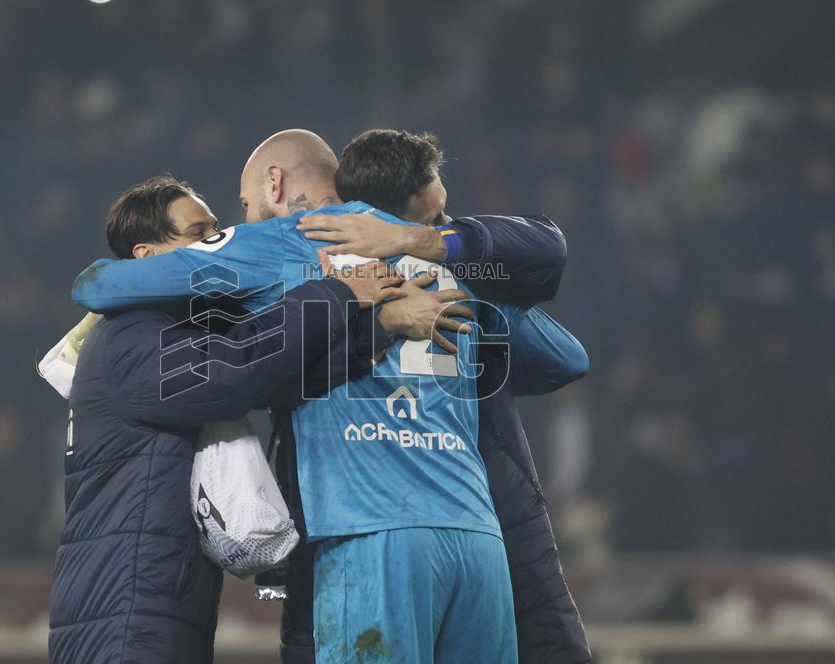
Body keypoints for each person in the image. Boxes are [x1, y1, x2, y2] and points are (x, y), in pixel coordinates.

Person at [72, 130, 587, 662]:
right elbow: (566, 359)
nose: (242, 220)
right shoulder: (434, 246)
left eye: (245, 205)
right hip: (477, 539)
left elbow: (96, 284)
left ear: (274, 182)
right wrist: (443, 254)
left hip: (366, 535)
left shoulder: (276, 241)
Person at [47, 175, 458, 664]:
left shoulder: (169, 332)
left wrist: (384, 325)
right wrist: (338, 292)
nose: (221, 247)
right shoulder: (129, 335)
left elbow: (274, 375)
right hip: (124, 614)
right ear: (148, 257)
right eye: (200, 234)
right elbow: (233, 370)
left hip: (147, 602)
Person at [294, 128, 592, 663]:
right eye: (433, 221)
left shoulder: (306, 268)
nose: (447, 230)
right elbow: (568, 356)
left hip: (369, 531)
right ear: (386, 219)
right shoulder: (466, 285)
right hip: (477, 523)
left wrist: (431, 244)